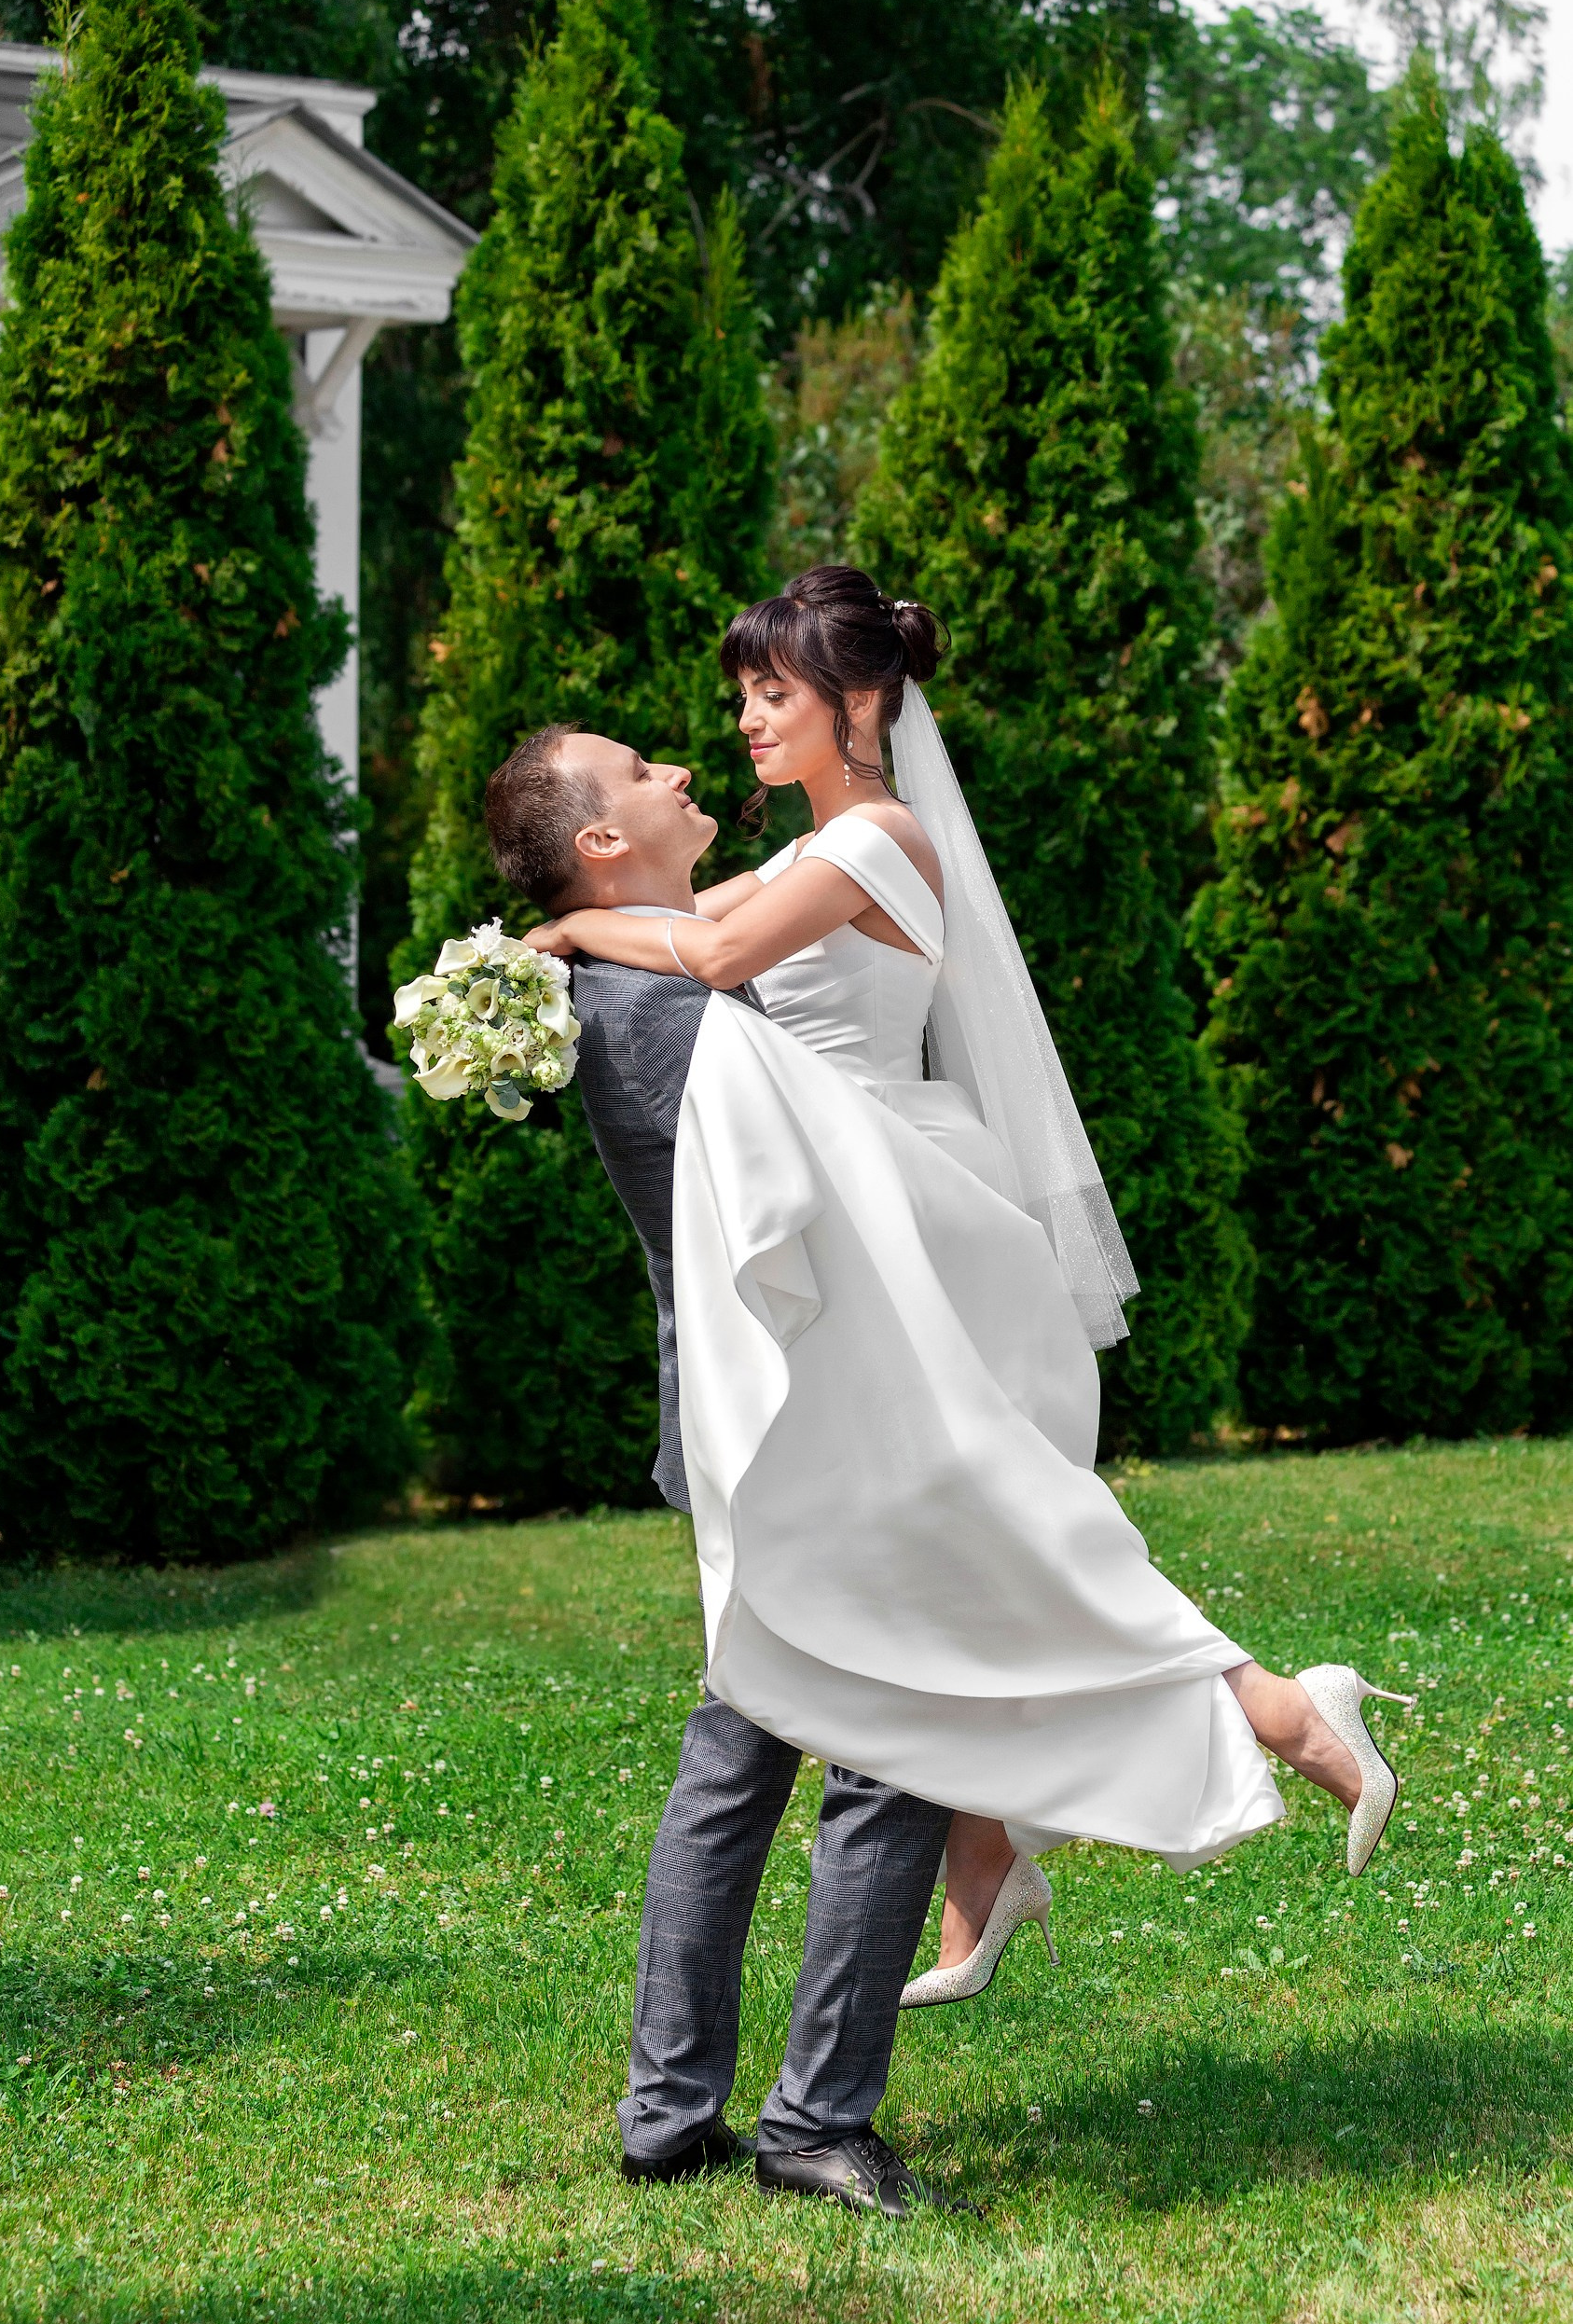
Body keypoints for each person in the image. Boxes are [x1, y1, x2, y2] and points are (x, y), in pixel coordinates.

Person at [517, 565, 1411, 2020]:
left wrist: (561, 934)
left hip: (901, 1201)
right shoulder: (810, 847)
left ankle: (1284, 1712)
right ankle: (988, 1854)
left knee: (1001, 1528)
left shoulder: (877, 840)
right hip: (855, 1194)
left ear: (860, 702)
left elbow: (711, 953)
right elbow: (686, 925)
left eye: (774, 694)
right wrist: (568, 940)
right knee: (963, 1548)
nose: (745, 721)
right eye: (744, 694)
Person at [484, 725, 966, 2218]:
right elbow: (807, 1198)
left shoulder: (638, 966)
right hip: (799, 1420)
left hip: (754, 1417)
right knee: (895, 1751)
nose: (683, 774)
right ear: (601, 841)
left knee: (744, 1744)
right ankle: (815, 2121)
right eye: (642, 774)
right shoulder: (661, 1007)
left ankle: (668, 2108)